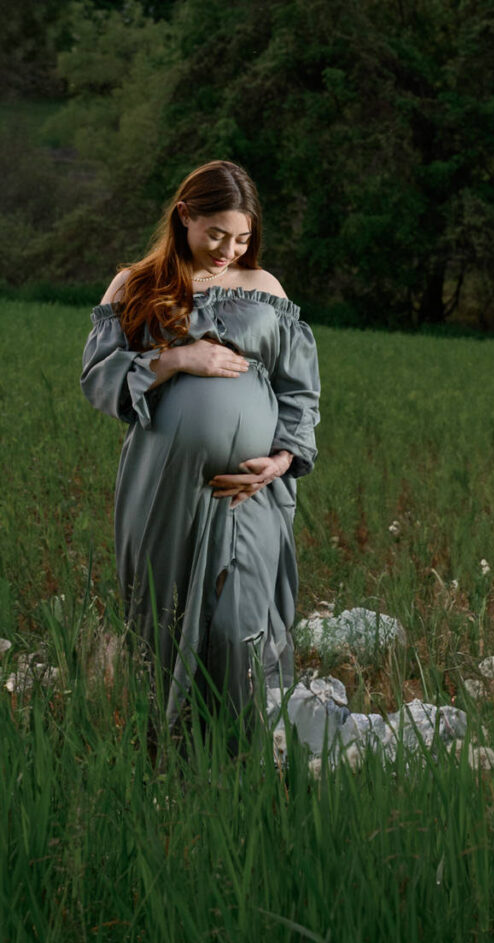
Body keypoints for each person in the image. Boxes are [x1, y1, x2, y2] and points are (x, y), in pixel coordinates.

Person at [81, 159, 320, 730]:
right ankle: (171, 750)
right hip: (163, 487)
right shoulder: (135, 285)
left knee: (241, 623)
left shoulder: (265, 290)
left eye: (241, 238)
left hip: (249, 493)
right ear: (184, 215)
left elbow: (301, 391)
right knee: (165, 618)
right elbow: (99, 380)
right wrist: (177, 358)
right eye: (216, 234)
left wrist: (280, 461)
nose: (229, 250)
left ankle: (243, 754)